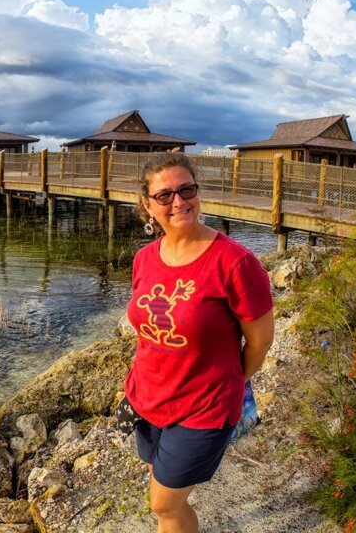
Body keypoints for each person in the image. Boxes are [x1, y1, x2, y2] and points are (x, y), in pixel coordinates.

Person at [124, 151, 275, 533]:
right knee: (165, 498)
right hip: (147, 397)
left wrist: (230, 382)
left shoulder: (236, 263)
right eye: (164, 195)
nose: (178, 201)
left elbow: (260, 340)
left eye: (186, 189)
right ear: (147, 205)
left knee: (163, 502)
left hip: (204, 407)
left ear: (198, 191)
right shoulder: (144, 259)